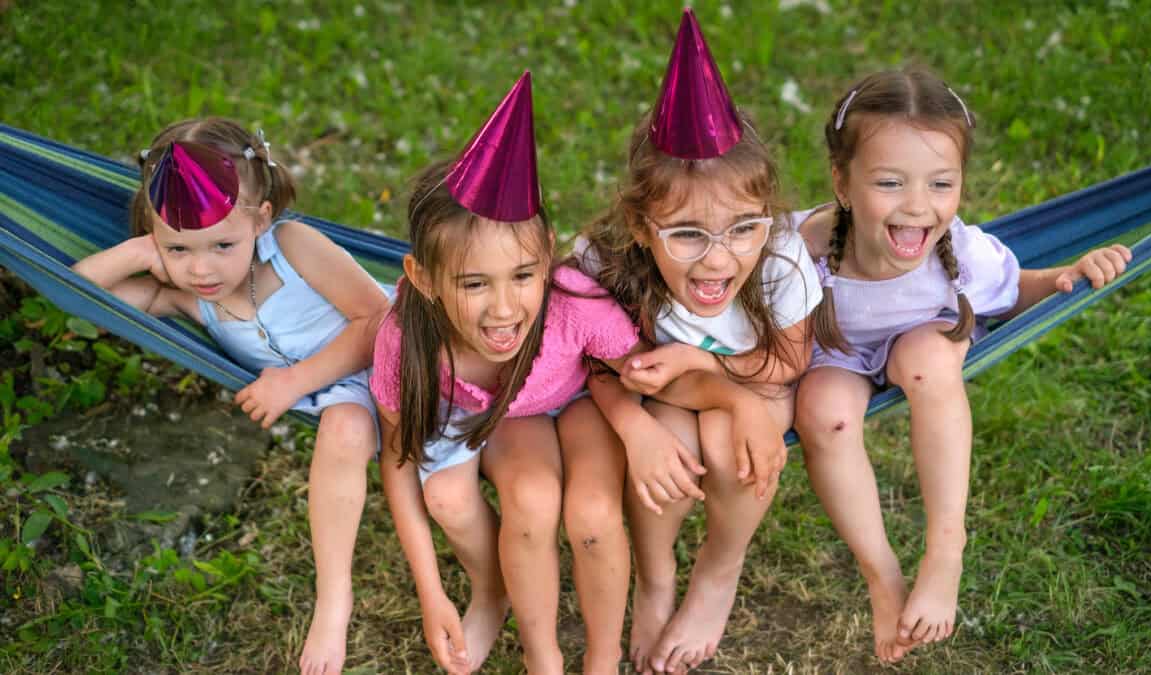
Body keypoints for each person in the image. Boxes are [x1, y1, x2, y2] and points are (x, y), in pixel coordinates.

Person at [791, 66, 1132, 663]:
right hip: (836, 354)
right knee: (823, 413)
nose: (918, 207)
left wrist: (1068, 274)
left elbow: (1022, 285)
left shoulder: (959, 254)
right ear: (842, 183)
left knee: (927, 359)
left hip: (923, 343)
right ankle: (881, 575)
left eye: (941, 185)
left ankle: (946, 547)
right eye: (891, 183)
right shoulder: (799, 251)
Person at [71, 117, 392, 675]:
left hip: (394, 355)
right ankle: (333, 599)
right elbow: (78, 297)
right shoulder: (186, 296)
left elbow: (379, 321)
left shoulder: (294, 246)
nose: (202, 268)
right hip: (344, 401)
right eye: (180, 248)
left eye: (223, 244)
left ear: (261, 219)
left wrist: (292, 382)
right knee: (343, 428)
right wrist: (143, 252)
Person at [369, 72, 644, 675]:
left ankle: (603, 657)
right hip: (511, 420)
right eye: (473, 284)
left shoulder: (577, 309)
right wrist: (430, 591)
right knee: (530, 499)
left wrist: (652, 424)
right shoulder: (406, 338)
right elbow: (399, 459)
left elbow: (640, 373)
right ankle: (541, 656)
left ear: (547, 251)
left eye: (522, 275)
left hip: (583, 404)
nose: (502, 308)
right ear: (423, 279)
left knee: (594, 517)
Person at [575, 10, 821, 673]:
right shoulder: (604, 263)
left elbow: (789, 359)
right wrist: (634, 428)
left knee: (729, 445)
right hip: (664, 396)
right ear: (640, 223)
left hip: (759, 384)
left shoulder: (781, 258)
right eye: (687, 233)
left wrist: (711, 367)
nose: (718, 262)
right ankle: (656, 579)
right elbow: (597, 363)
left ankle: (718, 570)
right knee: (674, 452)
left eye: (743, 227)